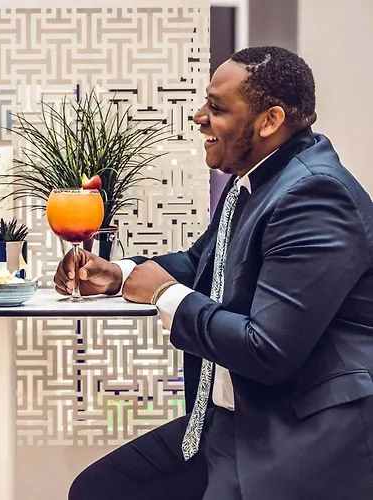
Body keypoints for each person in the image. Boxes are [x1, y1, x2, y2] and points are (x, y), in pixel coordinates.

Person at [57, 46, 373, 500]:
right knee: (100, 489)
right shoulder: (255, 178)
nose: (199, 117)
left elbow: (267, 350)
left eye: (217, 108)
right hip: (229, 421)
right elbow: (204, 263)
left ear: (270, 120)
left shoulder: (315, 196)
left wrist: (165, 295)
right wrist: (119, 273)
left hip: (298, 435)